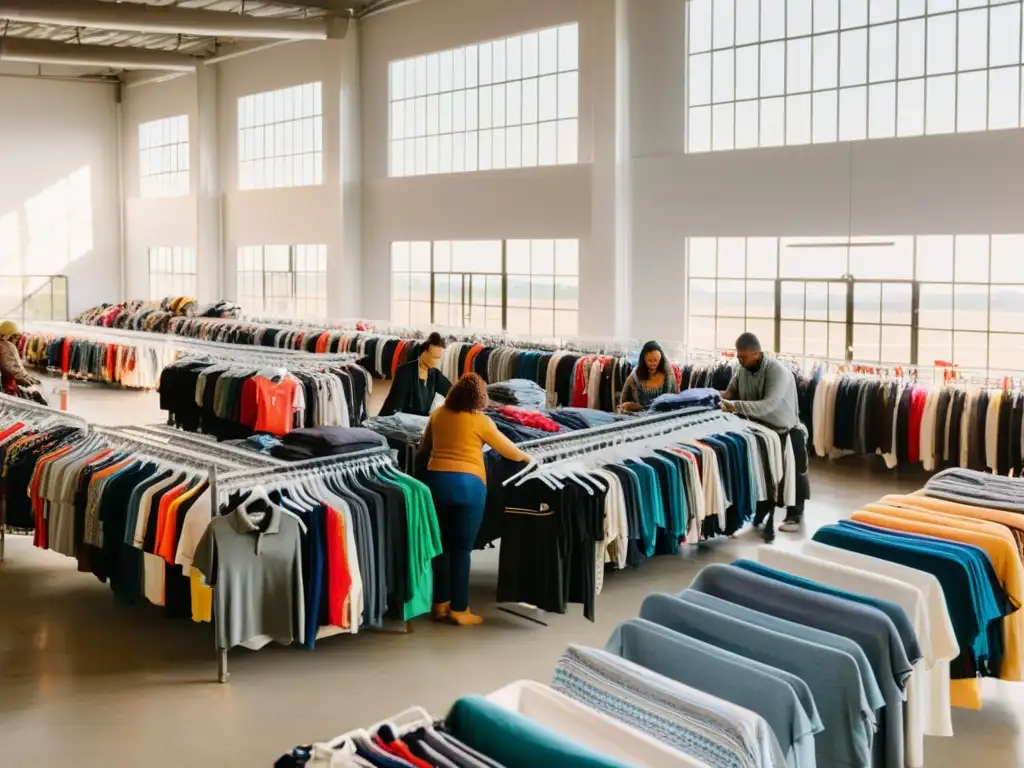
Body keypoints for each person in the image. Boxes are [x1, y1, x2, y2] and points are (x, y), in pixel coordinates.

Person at [418, 372, 531, 626]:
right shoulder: (480, 421)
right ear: (479, 398)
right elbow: (509, 451)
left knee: (441, 547)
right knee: (462, 550)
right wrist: (530, 459)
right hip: (469, 487)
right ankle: (460, 609)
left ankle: (440, 604)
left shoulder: (437, 415)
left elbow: (424, 450)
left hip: (436, 484)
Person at [720, 332, 809, 537]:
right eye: (738, 356)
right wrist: (706, 396)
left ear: (757, 355)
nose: (739, 360)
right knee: (765, 474)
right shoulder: (741, 370)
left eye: (743, 357)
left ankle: (794, 515)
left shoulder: (778, 372)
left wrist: (733, 406)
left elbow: (768, 405)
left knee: (792, 475)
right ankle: (761, 511)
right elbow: (729, 394)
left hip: (786, 430)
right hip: (760, 431)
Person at [378, 332, 452, 417]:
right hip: (406, 422)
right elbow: (393, 403)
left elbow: (451, 392)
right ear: (424, 352)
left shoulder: (435, 374)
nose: (437, 363)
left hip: (424, 422)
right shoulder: (405, 372)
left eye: (440, 359)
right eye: (434, 358)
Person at [618, 340, 679, 412]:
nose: (653, 363)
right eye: (650, 360)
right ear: (644, 359)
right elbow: (623, 400)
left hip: (664, 418)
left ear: (660, 359)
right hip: (640, 419)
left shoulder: (668, 375)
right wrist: (630, 406)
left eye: (656, 360)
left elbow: (675, 399)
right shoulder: (635, 375)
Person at [0, 320, 40, 393]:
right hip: (9, 385)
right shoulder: (7, 345)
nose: (17, 340)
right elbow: (11, 365)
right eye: (15, 336)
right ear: (8, 335)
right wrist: (24, 376)